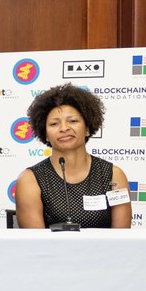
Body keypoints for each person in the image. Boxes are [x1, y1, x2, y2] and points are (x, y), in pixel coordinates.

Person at [15, 84, 131, 228]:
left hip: (105, 251)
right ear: (46, 135)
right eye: (54, 124)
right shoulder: (30, 180)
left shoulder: (113, 175)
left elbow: (121, 240)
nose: (64, 128)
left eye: (73, 121)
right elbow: (36, 246)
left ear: (88, 128)